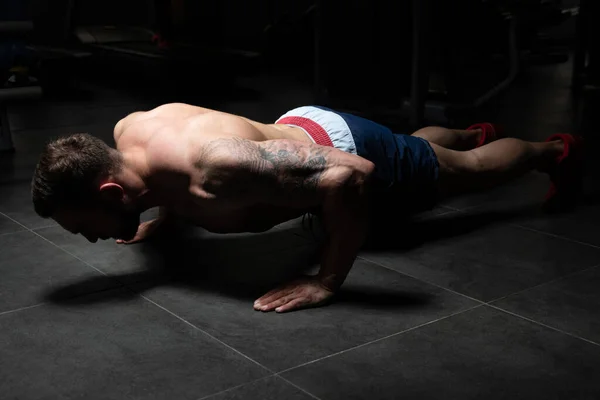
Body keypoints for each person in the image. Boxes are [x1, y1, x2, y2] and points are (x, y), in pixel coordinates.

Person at [31, 103, 583, 313]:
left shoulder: (216, 168)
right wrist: (161, 219)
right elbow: (162, 179)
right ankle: (463, 132)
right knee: (422, 151)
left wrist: (327, 279)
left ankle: (552, 151)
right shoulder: (127, 135)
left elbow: (351, 176)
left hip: (343, 150)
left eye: (84, 228)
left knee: (469, 174)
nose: (87, 240)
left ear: (109, 193)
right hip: (291, 141)